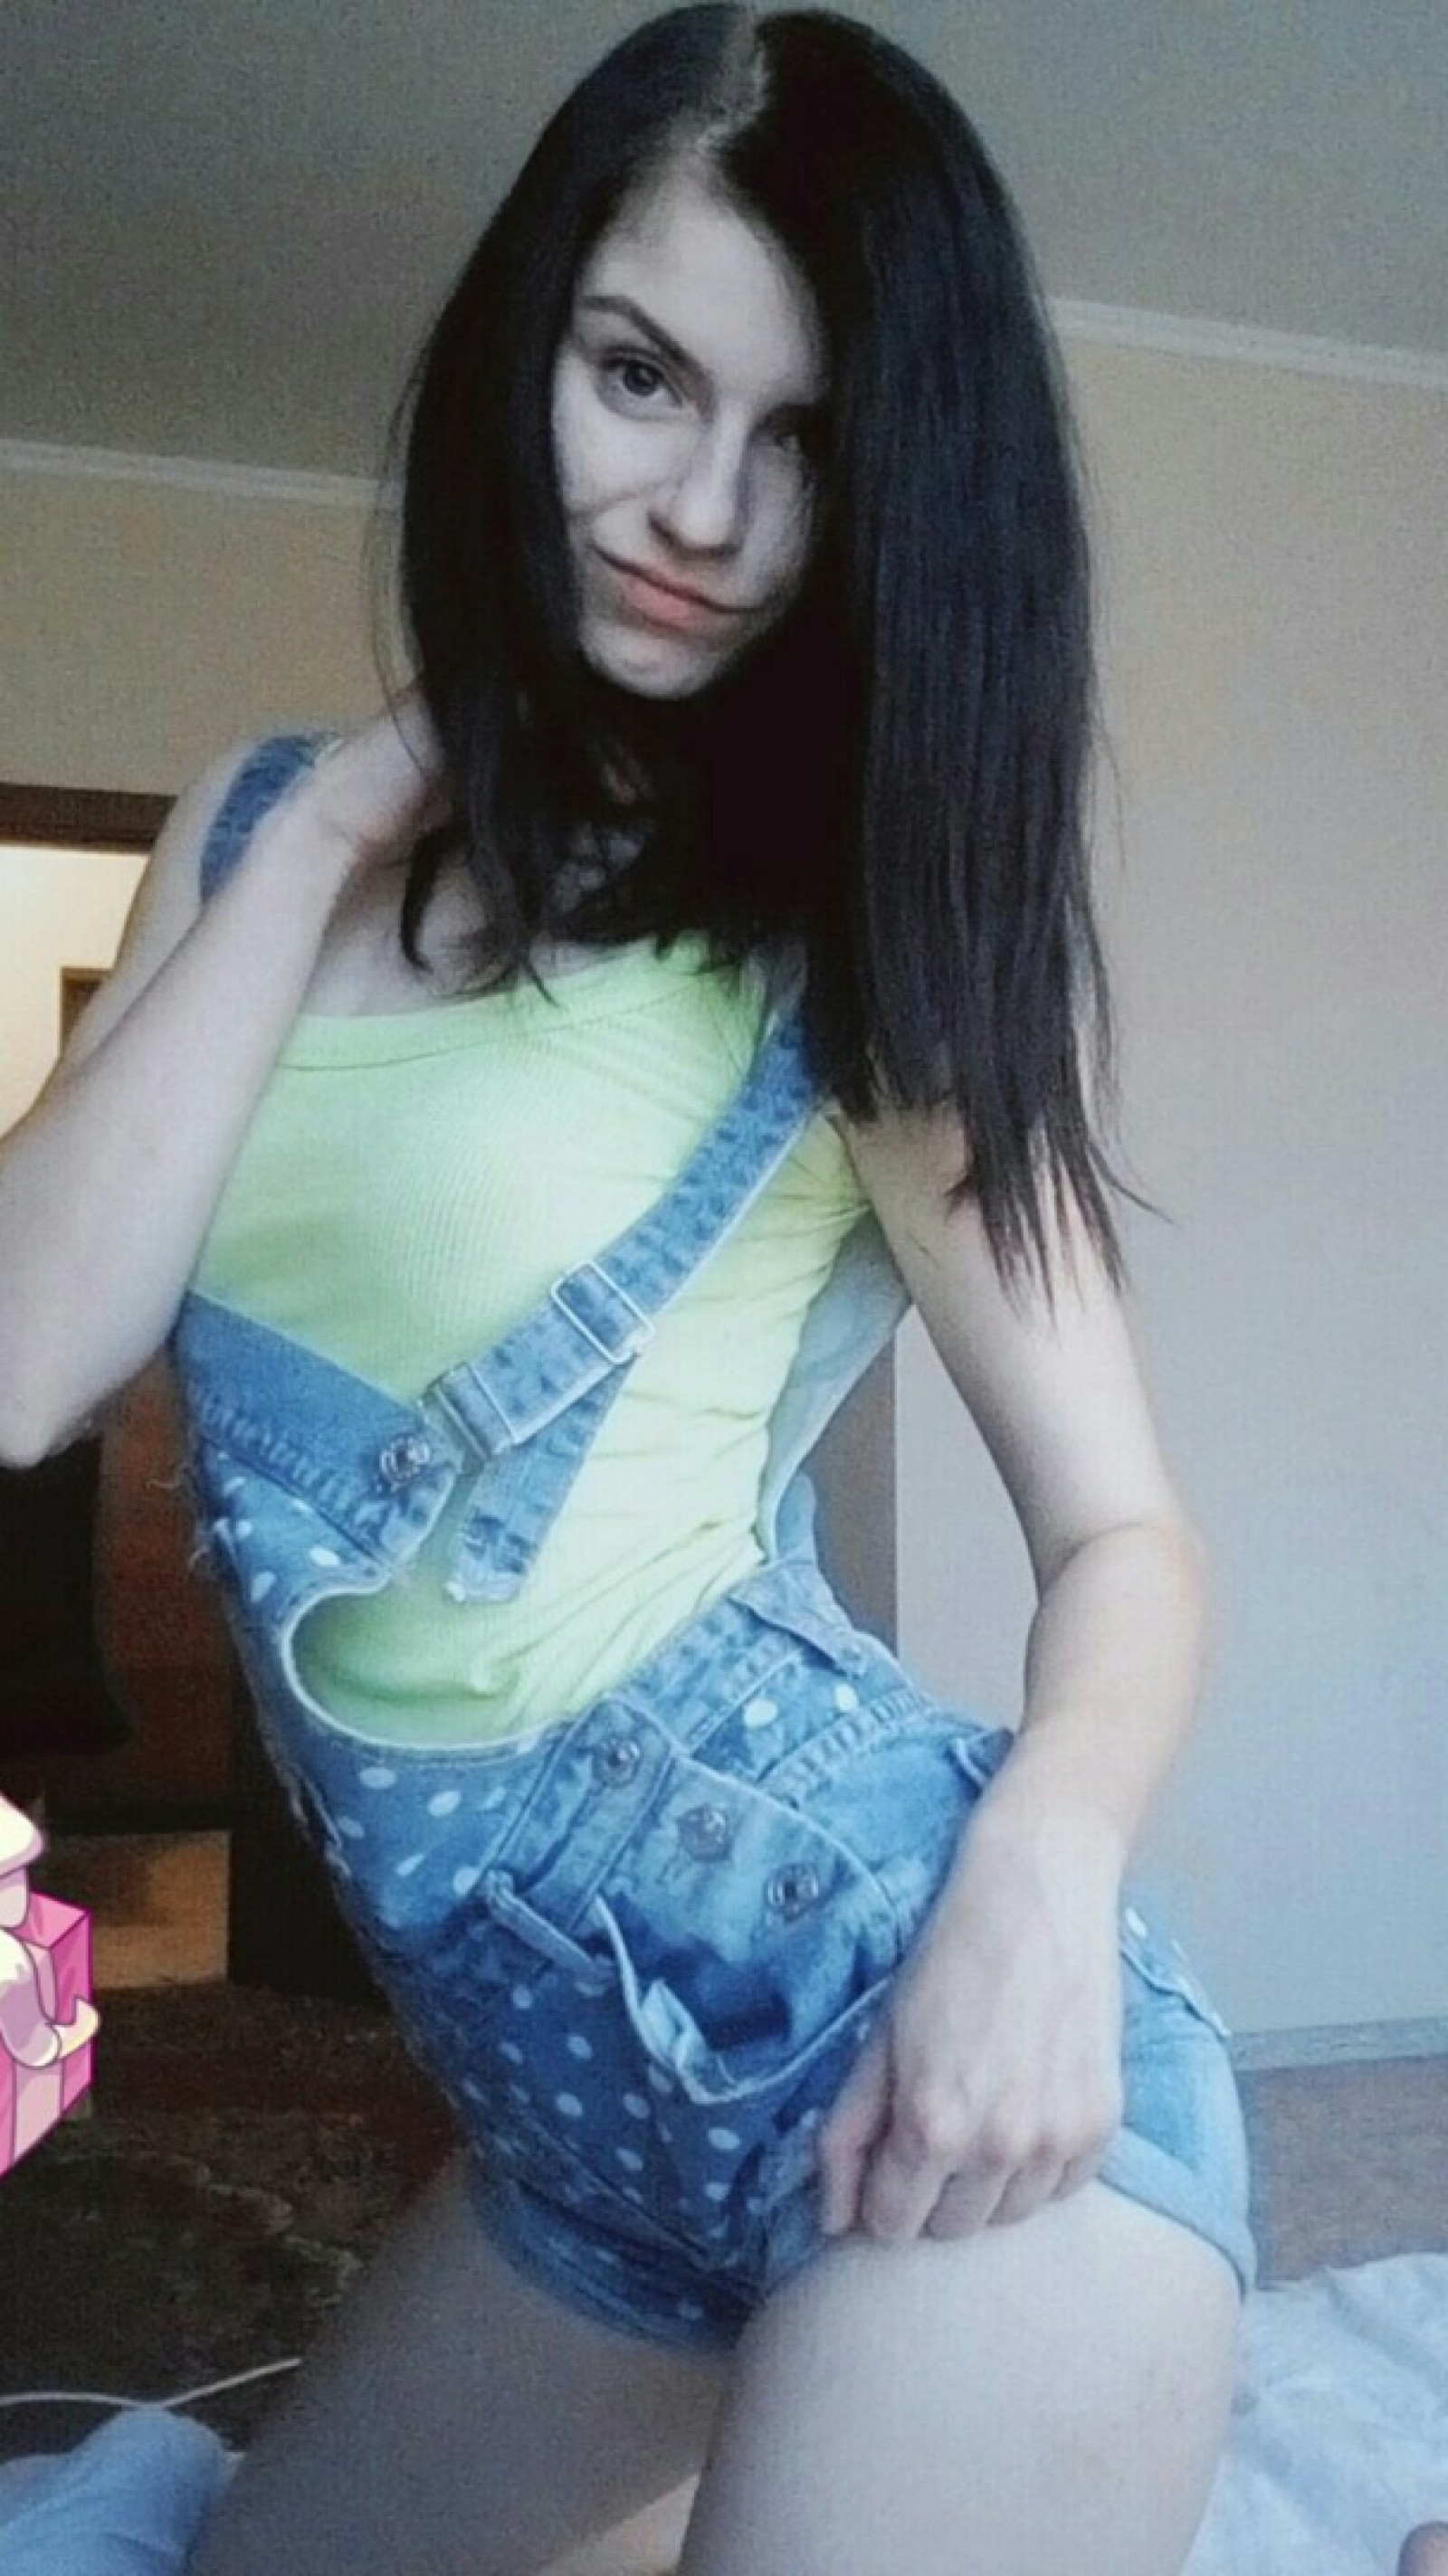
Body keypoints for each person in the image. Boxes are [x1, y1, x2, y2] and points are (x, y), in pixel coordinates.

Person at [0, 8, 1257, 2570]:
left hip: (911, 2021)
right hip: (576, 2133)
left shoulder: (854, 934)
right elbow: (25, 1356)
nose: (704, 512)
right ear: (523, 349)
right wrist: (347, 813)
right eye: (641, 374)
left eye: (808, 444)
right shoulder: (258, 824)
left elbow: (1127, 1533)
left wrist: (1040, 1889)